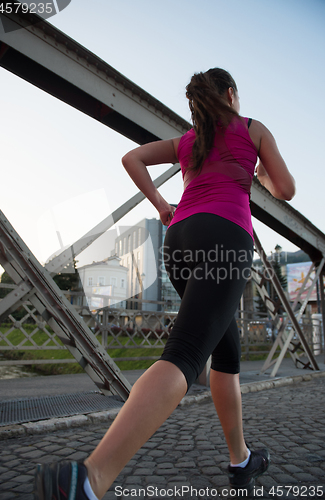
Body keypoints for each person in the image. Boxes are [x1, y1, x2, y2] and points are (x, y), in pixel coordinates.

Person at [34, 68, 295, 499]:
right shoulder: (251, 129)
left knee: (225, 352)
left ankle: (240, 459)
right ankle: (91, 478)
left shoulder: (189, 141)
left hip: (180, 239)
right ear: (231, 94)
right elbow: (285, 189)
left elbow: (131, 158)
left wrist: (161, 205)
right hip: (224, 238)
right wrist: (258, 175)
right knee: (187, 353)